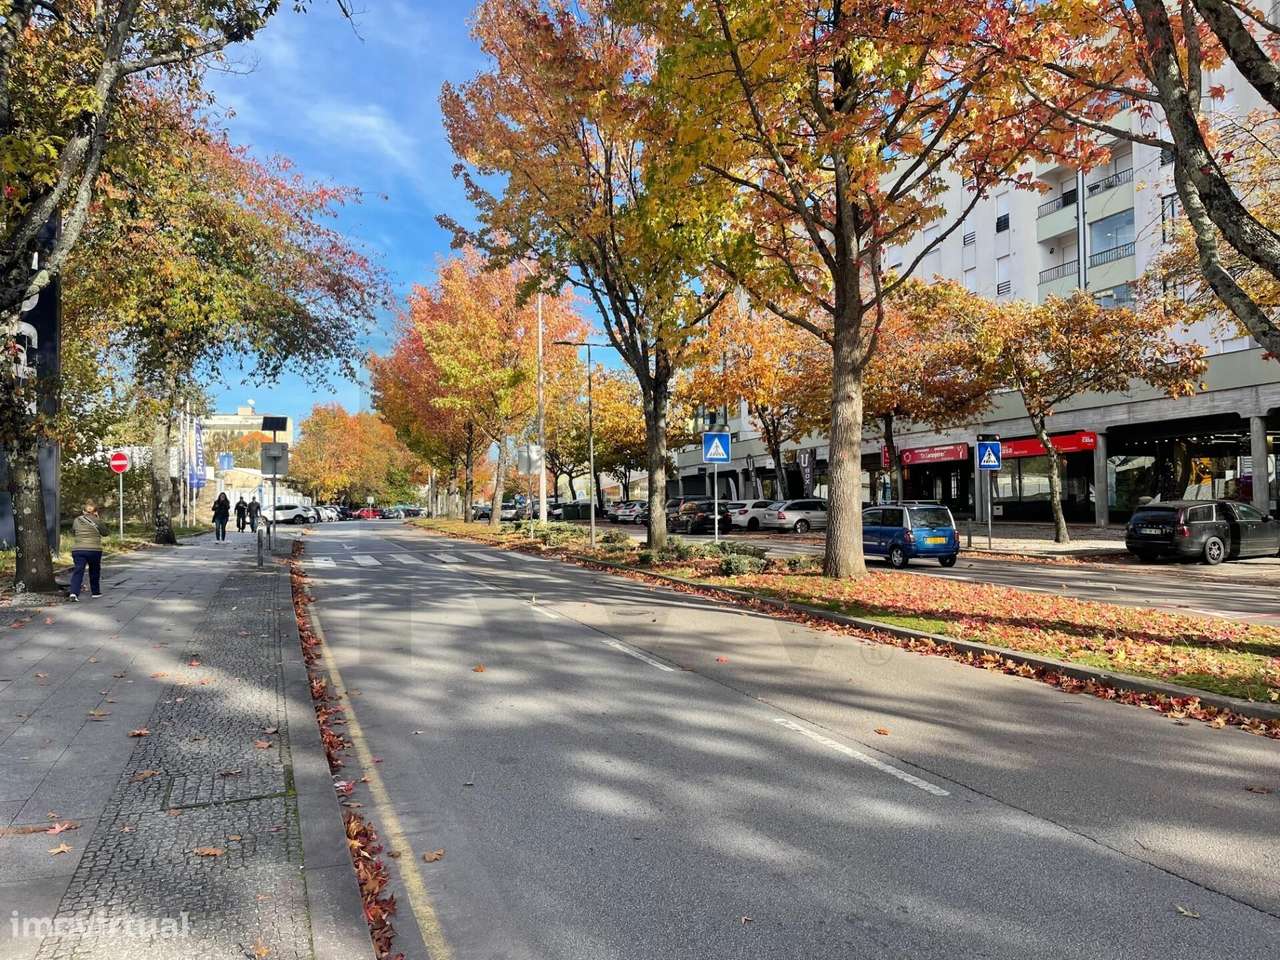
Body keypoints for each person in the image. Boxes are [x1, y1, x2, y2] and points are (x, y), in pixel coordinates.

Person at [68, 501, 106, 602]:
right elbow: (105, 533)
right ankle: (95, 592)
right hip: (94, 550)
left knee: (78, 571)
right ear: (95, 511)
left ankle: (73, 593)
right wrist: (97, 519)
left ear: (83, 511)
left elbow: (73, 532)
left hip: (78, 550)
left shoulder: (76, 520)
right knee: (94, 570)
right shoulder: (97, 520)